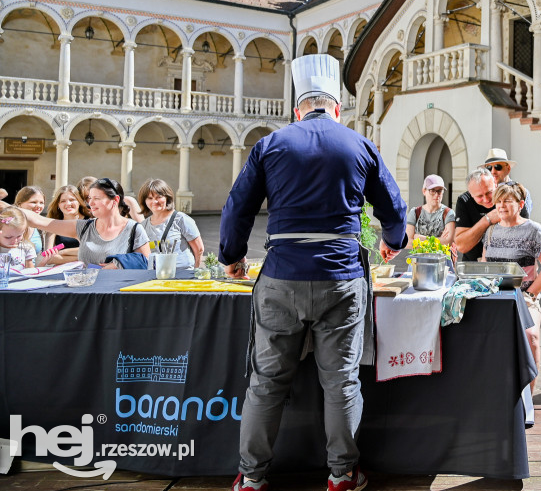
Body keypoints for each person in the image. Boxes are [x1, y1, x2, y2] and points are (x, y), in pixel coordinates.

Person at [220, 54, 406, 491]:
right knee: (341, 381)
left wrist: (231, 255)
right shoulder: (358, 144)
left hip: (281, 274)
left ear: (296, 110)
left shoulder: (271, 144)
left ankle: (251, 477)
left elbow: (237, 208)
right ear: (337, 108)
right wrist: (392, 241)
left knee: (265, 382)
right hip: (341, 277)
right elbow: (393, 207)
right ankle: (342, 474)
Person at [481, 181, 541, 392]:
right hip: (494, 297)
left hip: (524, 298)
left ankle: (527, 398)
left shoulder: (533, 230)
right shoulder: (491, 231)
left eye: (507, 201)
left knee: (531, 337)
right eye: (498, 201)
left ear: (521, 203)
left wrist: (530, 296)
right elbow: (486, 265)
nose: (501, 205)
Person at [7, 178, 150, 267]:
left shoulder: (134, 229)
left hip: (118, 297)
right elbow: (40, 221)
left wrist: (118, 264)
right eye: (90, 198)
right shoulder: (83, 227)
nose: (91, 203)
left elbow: (145, 263)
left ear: (115, 200)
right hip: (86, 295)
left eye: (97, 198)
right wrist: (6, 207)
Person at [453, 168, 527, 261]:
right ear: (471, 194)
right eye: (479, 196)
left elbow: (525, 235)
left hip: (507, 264)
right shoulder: (464, 201)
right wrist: (487, 220)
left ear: (495, 185)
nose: (486, 199)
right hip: (474, 264)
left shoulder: (512, 197)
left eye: (489, 192)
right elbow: (461, 246)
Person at [138, 178, 204, 268]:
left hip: (183, 276)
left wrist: (195, 273)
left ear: (167, 198)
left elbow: (199, 250)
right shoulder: (143, 226)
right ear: (144, 201)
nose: (154, 201)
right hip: (156, 277)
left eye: (159, 197)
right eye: (150, 198)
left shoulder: (181, 219)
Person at [42, 185, 92, 264]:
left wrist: (62, 252)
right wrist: (83, 257)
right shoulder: (53, 225)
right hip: (62, 272)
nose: (68, 203)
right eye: (63, 201)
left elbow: (94, 250)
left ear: (79, 202)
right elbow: (49, 258)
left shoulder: (90, 222)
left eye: (72, 200)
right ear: (58, 205)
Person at [406, 174, 455, 246]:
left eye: (440, 191)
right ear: (424, 191)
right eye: (432, 190)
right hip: (419, 257)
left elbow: (448, 242)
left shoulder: (448, 213)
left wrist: (420, 238)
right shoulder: (414, 212)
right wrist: (439, 240)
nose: (436, 195)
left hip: (442, 257)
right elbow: (407, 243)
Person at [482, 148, 532, 215]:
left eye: (498, 167)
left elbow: (525, 221)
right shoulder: (481, 193)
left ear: (508, 168)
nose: (493, 171)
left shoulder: (522, 192)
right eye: (489, 168)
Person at [79, 175, 145, 223]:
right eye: (88, 197)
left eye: (96, 196)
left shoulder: (127, 201)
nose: (90, 201)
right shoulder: (88, 212)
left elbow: (145, 230)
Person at [13, 186, 46, 257]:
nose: (38, 206)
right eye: (33, 202)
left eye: (41, 203)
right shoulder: (9, 225)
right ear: (19, 204)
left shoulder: (40, 228)